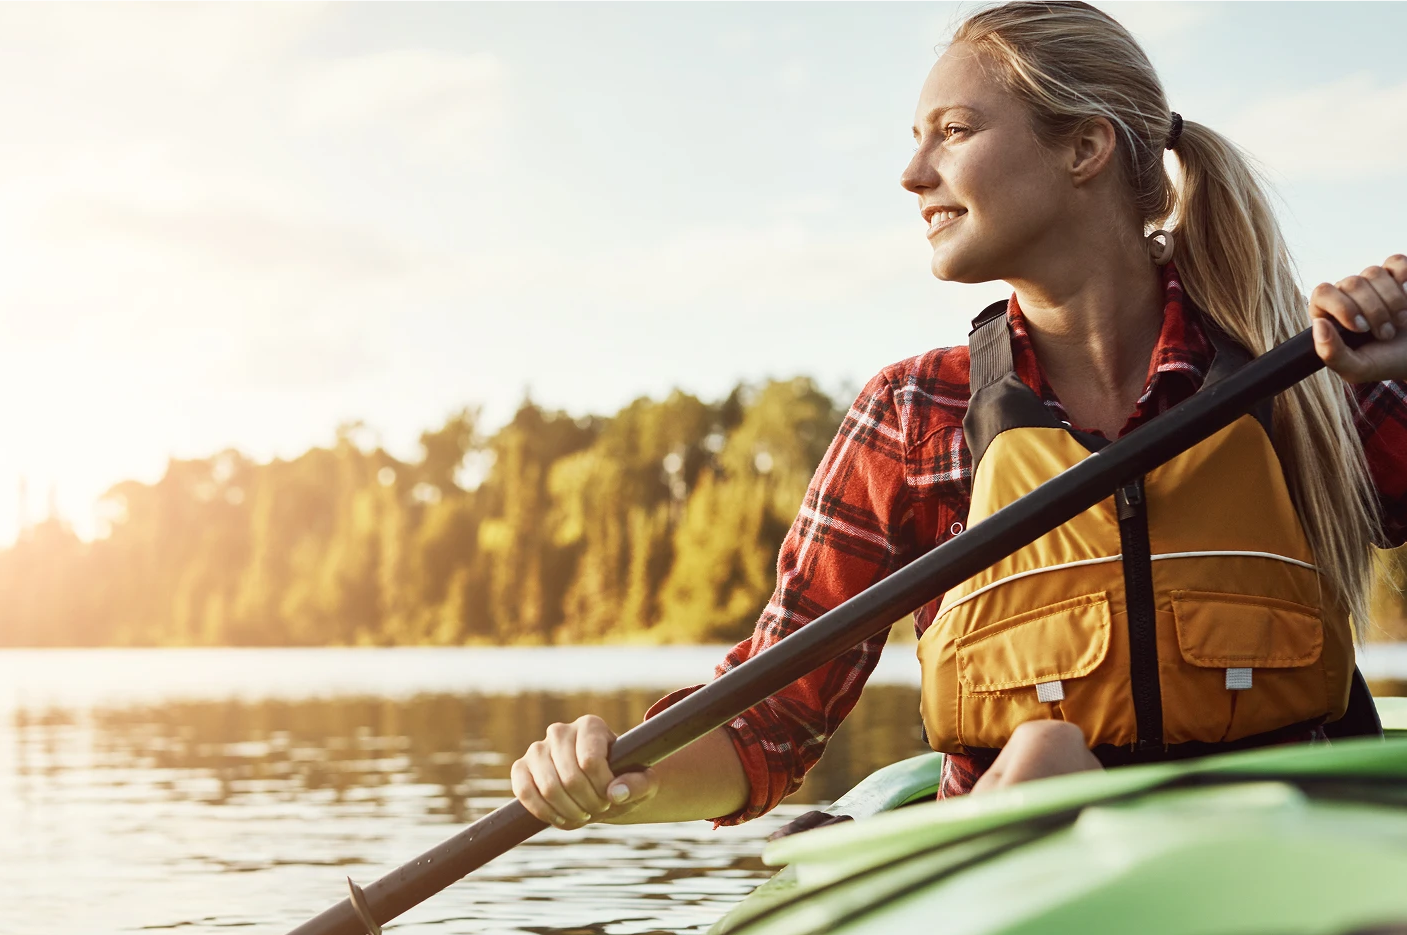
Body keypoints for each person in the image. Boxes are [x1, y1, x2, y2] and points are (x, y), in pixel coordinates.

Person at [510, 0, 1407, 833]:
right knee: (1045, 752)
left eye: (953, 131)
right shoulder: (913, 416)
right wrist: (612, 779)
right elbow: (770, 726)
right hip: (1021, 881)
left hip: (1289, 858)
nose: (912, 176)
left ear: (1083, 148)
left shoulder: (1310, 375)